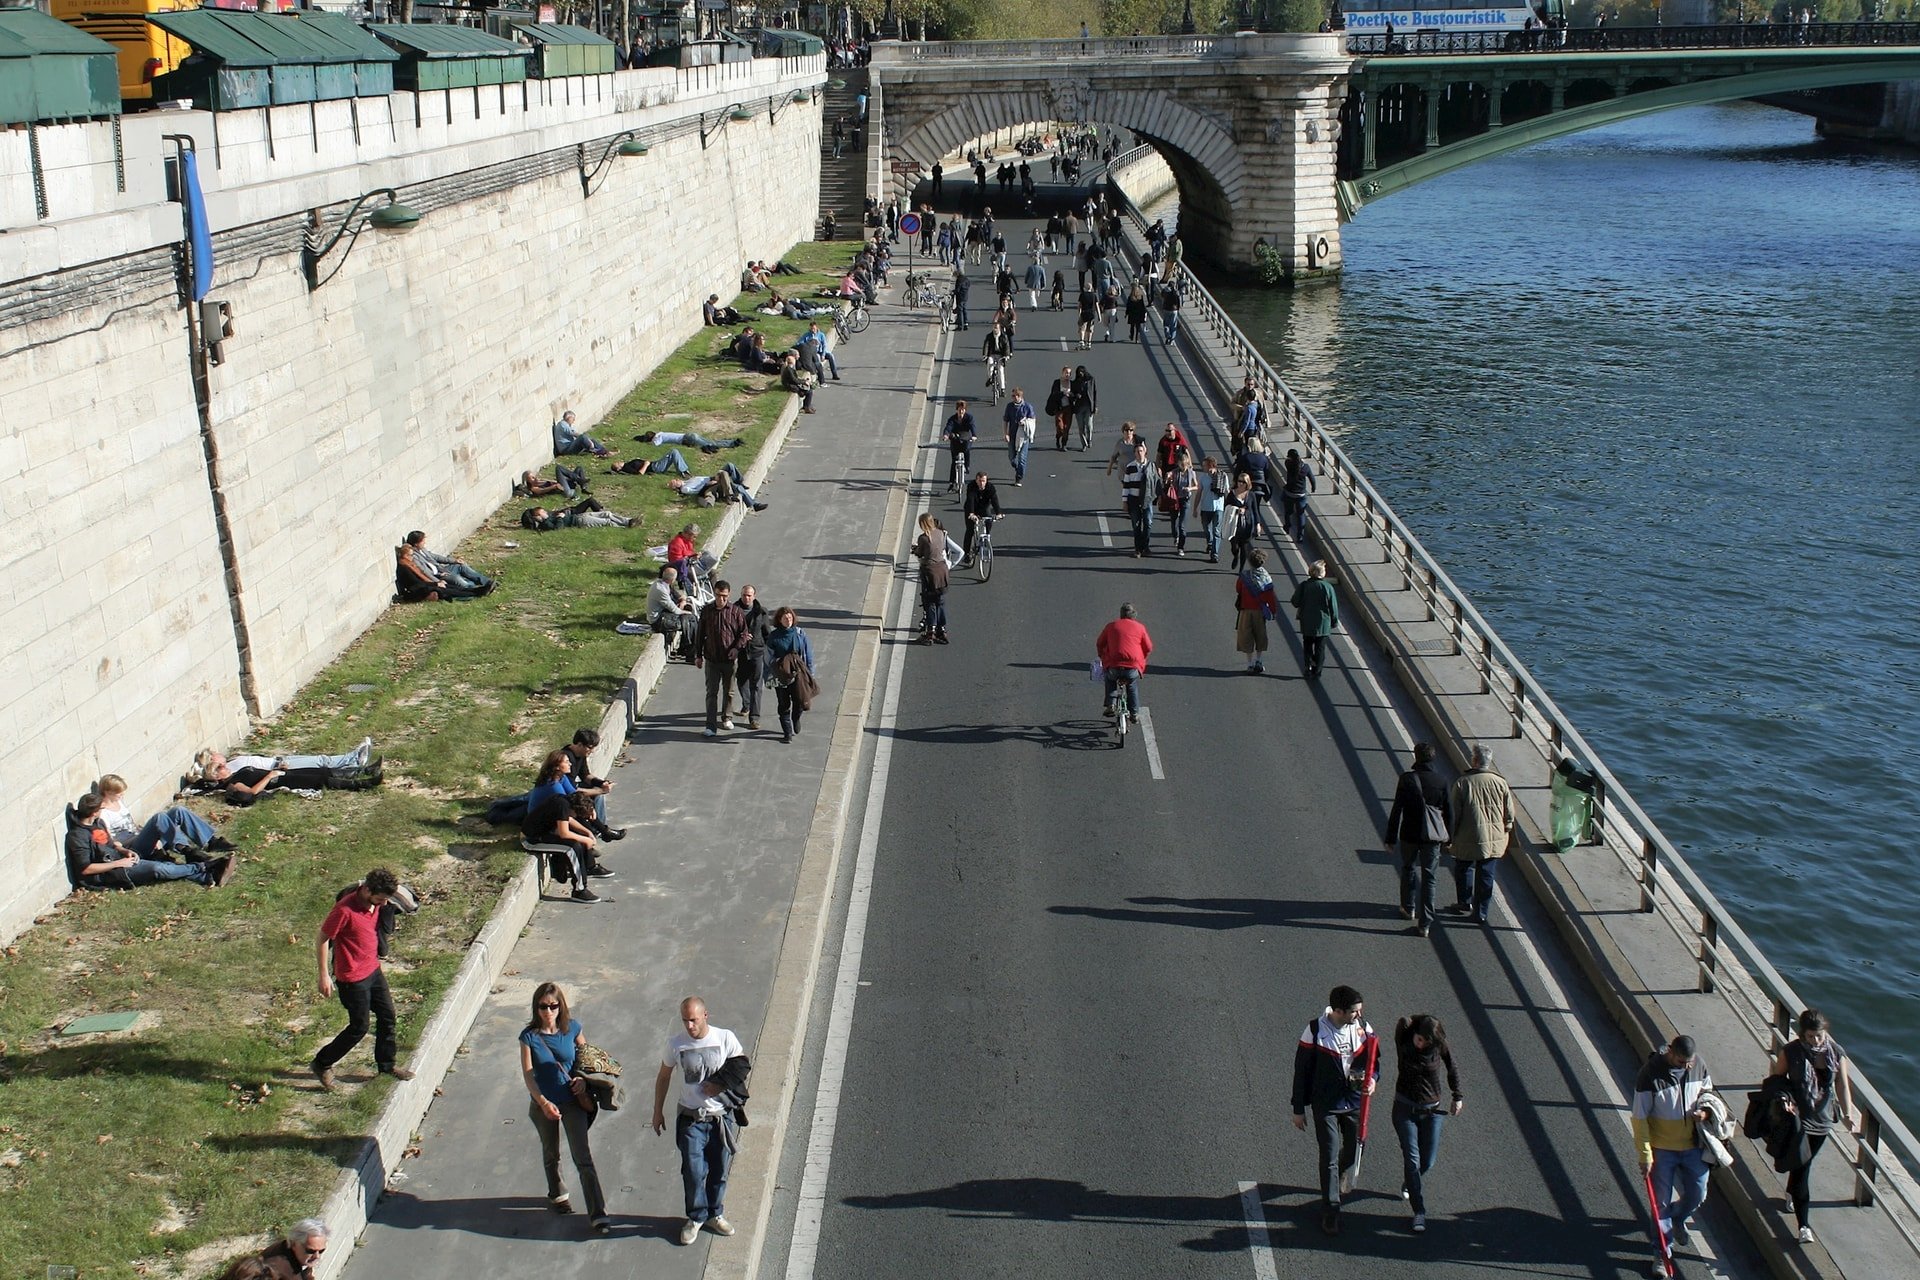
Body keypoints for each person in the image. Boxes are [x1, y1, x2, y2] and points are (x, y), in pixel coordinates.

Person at [652, 996, 747, 1246]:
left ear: (706, 1015)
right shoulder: (676, 1044)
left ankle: (715, 1213)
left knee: (719, 1170)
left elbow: (741, 1066)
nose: (689, 1026)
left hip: (720, 1118)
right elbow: (663, 1077)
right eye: (685, 1021)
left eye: (693, 1020)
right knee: (693, 1172)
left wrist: (718, 1085)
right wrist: (657, 1111)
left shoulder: (724, 1038)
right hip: (691, 1119)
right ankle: (695, 1217)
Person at [311, 867, 415, 1090]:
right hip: (352, 978)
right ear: (367, 890)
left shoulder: (376, 903)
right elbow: (322, 939)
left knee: (388, 1016)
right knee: (359, 1027)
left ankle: (387, 1066)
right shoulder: (344, 910)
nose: (383, 904)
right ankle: (322, 1062)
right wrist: (324, 976)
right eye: (380, 899)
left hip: (373, 970)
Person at [520, 982, 610, 1233]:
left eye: (553, 1006)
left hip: (572, 1102)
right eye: (543, 1006)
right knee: (551, 1153)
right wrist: (543, 1102)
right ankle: (558, 1194)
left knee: (583, 1158)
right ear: (536, 1007)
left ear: (561, 1007)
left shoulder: (573, 1028)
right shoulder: (529, 1037)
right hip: (544, 1103)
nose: (548, 1011)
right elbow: (528, 1074)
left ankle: (598, 1213)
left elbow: (589, 1061)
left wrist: (582, 1079)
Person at [1290, 984, 1379, 1236]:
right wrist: (1299, 1108)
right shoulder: (1315, 1031)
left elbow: (1375, 1061)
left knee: (1353, 1149)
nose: (1359, 1016)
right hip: (1326, 1105)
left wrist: (1372, 1079)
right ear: (1339, 1010)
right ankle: (1330, 1210)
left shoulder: (1364, 1029)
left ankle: (1342, 1169)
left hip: (1353, 1102)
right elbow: (1302, 1072)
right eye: (1354, 1011)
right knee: (1328, 1154)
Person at [1772, 1008, 1855, 1243]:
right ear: (1802, 1035)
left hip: (1824, 1119)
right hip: (1798, 1118)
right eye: (1810, 1036)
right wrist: (1784, 1101)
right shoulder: (1792, 1052)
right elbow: (1777, 1080)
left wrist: (1848, 1113)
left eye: (1818, 1036)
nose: (1815, 1041)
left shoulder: (1836, 1053)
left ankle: (1791, 1192)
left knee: (1803, 1164)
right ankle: (1804, 1226)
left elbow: (1842, 1085)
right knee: (1802, 1168)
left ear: (1825, 1032)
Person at [1634, 1035, 1715, 1272]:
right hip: (1662, 1149)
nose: (1686, 1066)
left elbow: (1708, 1096)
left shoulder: (1698, 1065)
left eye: (1689, 1062)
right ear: (1670, 1052)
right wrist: (1645, 1154)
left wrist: (1705, 1113)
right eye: (1681, 1062)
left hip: (1692, 1146)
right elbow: (1639, 1119)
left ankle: (1677, 1217)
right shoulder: (1649, 1075)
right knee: (1660, 1205)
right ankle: (1662, 1254)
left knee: (1698, 1194)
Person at [65, 792, 236, 891]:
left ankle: (194, 856)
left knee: (161, 818)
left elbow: (111, 844)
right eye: (101, 809)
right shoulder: (77, 837)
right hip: (112, 872)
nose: (103, 811)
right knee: (158, 869)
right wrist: (120, 863)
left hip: (123, 856)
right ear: (94, 812)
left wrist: (124, 851)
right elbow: (86, 869)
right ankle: (205, 868)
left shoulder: (98, 823)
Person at [1391, 1014, 1463, 1234]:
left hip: (1431, 1110)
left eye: (1425, 1041)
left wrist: (1457, 1096)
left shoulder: (1439, 1045)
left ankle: (1409, 1182)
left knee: (1428, 1161)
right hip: (1404, 1109)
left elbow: (1452, 1067)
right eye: (1418, 1039)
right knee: (1412, 1160)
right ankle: (1419, 1211)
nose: (1420, 1044)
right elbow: (1405, 1021)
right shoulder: (1404, 1037)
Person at [1384, 742, 1449, 935]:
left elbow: (1397, 810)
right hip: (1433, 837)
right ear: (1433, 757)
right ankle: (1425, 923)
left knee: (1408, 869)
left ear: (1416, 756)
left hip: (1409, 834)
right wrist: (1450, 837)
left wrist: (1390, 838)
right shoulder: (1442, 781)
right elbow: (1448, 813)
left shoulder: (1407, 779)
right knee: (1430, 877)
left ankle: (1408, 907)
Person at [93, 773, 236, 860]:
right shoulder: (103, 813)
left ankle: (211, 841)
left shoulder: (119, 803)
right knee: (159, 818)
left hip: (140, 835)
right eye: (118, 792)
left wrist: (145, 831)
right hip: (133, 847)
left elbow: (130, 824)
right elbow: (112, 843)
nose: (122, 795)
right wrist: (142, 837)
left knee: (178, 810)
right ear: (107, 792)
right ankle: (185, 850)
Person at [1446, 743, 1514, 924]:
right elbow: (1509, 813)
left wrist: (1450, 836)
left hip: (1468, 836)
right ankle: (1481, 912)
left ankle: (1464, 902)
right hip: (1494, 838)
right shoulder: (1501, 782)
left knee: (1463, 868)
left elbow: (1454, 814)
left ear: (1475, 760)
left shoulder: (1463, 783)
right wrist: (1505, 829)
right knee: (1486, 874)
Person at [694, 580, 750, 737]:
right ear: (714, 593)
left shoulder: (735, 612)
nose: (721, 599)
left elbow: (744, 633)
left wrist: (736, 648)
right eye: (718, 595)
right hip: (712, 658)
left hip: (729, 660)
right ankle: (710, 726)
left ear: (729, 595)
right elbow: (700, 634)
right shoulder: (707, 611)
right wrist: (698, 655)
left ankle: (726, 717)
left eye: (724, 596)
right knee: (712, 692)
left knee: (729, 691)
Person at [1095, 602, 1153, 722]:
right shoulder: (1140, 627)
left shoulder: (1111, 626)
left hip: (1114, 665)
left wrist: (1102, 656)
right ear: (1133, 616)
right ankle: (1134, 714)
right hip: (1132, 666)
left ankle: (1111, 704)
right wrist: (1141, 659)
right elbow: (1148, 647)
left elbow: (1100, 643)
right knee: (1131, 686)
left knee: (1110, 679)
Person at [766, 606, 816, 743]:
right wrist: (772, 673)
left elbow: (808, 654)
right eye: (785, 618)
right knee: (783, 704)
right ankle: (787, 733)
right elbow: (768, 657)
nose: (788, 620)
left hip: (798, 674)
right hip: (781, 676)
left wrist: (810, 673)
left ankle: (796, 718)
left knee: (799, 701)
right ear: (779, 620)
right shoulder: (774, 637)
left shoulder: (800, 634)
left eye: (790, 618)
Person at [398, 530, 494, 600]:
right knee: (455, 582)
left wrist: (453, 561)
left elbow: (436, 557)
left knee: (460, 566)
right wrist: (438, 581)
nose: (425, 542)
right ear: (416, 544)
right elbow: (424, 574)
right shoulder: (411, 562)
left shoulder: (422, 550)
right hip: (435, 576)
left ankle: (485, 583)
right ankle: (473, 590)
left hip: (440, 571)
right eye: (423, 541)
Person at [1233, 549, 1282, 673]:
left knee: (1246, 636)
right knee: (1260, 635)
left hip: (1246, 610)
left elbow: (1238, 589)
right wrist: (1273, 611)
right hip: (1260, 611)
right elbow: (1270, 598)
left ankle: (1249, 664)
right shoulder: (1267, 578)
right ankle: (1259, 661)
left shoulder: (1244, 576)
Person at [1289, 559, 1338, 679]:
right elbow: (1333, 606)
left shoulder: (1304, 585)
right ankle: (1317, 670)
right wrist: (1334, 621)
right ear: (1321, 573)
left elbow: (1295, 602)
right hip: (1323, 622)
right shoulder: (1328, 587)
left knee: (1307, 645)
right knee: (1320, 648)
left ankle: (1308, 666)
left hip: (1307, 621)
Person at [736, 584, 771, 731]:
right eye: (744, 595)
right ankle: (747, 703)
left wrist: (768, 650)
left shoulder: (761, 612)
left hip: (757, 651)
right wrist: (740, 637)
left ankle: (754, 718)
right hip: (741, 651)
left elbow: (767, 632)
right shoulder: (733, 610)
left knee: (756, 685)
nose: (747, 598)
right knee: (741, 680)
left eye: (749, 595)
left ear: (754, 596)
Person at [912, 513, 951, 645]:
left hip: (930, 572)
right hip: (942, 570)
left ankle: (930, 632)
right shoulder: (940, 533)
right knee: (940, 601)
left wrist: (915, 549)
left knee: (929, 603)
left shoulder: (923, 538)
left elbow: (920, 552)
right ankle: (942, 630)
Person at [646, 564, 697, 657]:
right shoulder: (660, 590)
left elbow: (677, 596)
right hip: (658, 621)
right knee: (690, 619)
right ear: (672, 579)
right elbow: (674, 609)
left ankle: (686, 648)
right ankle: (689, 650)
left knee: (691, 618)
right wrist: (686, 612)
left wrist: (682, 600)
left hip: (665, 614)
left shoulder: (663, 584)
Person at [254, 1216, 329, 1279]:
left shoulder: (299, 1256)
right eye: (310, 1251)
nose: (317, 1256)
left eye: (321, 1251)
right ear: (293, 1244)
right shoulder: (275, 1267)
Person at [1119, 440, 1156, 558]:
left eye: (1141, 451)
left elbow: (1156, 483)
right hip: (1133, 500)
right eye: (1137, 451)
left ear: (1145, 452)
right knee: (1136, 525)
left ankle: (1145, 546)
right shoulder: (1130, 467)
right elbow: (1126, 485)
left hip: (1147, 499)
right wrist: (1125, 501)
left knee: (1148, 523)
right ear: (1134, 453)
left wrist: (1158, 497)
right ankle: (1138, 549)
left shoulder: (1151, 466)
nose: (1139, 453)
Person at [1193, 455, 1230, 564]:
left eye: (1204, 465)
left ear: (1210, 465)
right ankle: (1210, 542)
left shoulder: (1223, 476)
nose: (1202, 467)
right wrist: (1195, 508)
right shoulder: (1203, 478)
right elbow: (1199, 493)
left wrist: (1229, 506)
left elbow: (1227, 491)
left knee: (1217, 531)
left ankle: (1214, 554)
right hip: (1206, 507)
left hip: (1218, 507)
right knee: (1206, 528)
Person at [961, 470, 1001, 566]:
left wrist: (998, 513)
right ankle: (966, 553)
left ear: (986, 481)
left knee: (989, 520)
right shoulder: (971, 486)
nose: (981, 483)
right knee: (970, 530)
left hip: (984, 508)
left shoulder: (990, 488)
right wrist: (971, 513)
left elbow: (994, 500)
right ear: (976, 480)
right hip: (972, 508)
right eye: (979, 481)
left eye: (983, 481)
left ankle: (986, 537)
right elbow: (970, 499)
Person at [1162, 448, 1197, 555]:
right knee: (1173, 522)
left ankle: (1181, 547)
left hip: (1185, 499)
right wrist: (1167, 478)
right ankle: (1175, 536)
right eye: (1181, 464)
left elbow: (1196, 486)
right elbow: (1166, 481)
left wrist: (1190, 489)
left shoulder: (1191, 473)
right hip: (1174, 499)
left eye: (1184, 464)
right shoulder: (1175, 472)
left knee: (1182, 525)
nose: (1183, 466)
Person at [520, 499, 635, 530]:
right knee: (607, 522)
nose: (546, 512)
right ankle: (625, 526)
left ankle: (628, 520)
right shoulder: (546, 524)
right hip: (579, 522)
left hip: (579, 516)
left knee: (607, 514)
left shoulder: (549, 517)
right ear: (538, 517)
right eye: (543, 512)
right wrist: (560, 518)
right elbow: (557, 529)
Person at [1280, 448, 1317, 542]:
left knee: (1288, 511)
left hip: (1289, 493)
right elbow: (1312, 479)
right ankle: (1300, 536)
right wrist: (1313, 488)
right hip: (1301, 495)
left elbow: (1288, 461)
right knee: (1301, 515)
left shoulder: (1288, 464)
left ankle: (1287, 526)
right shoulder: (1305, 467)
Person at [942, 400, 978, 492]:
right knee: (954, 461)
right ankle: (951, 483)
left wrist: (974, 435)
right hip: (955, 440)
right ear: (956, 410)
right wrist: (946, 435)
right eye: (959, 410)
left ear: (965, 410)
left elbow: (972, 426)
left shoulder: (969, 417)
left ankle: (967, 466)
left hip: (966, 438)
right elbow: (948, 427)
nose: (961, 412)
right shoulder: (952, 419)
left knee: (967, 449)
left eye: (963, 410)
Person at [1003, 388, 1036, 486]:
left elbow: (1033, 420)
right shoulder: (1009, 406)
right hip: (1012, 435)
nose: (1013, 398)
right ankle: (1017, 467)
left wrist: (1026, 423)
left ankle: (1018, 477)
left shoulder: (1027, 407)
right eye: (1012, 396)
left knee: (1022, 458)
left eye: (1014, 396)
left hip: (1023, 436)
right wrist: (1006, 434)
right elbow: (1005, 420)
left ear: (1020, 396)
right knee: (1012, 458)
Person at [1045, 367, 1075, 451]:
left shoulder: (1072, 383)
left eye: (1069, 373)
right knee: (1060, 427)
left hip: (1069, 408)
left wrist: (1071, 395)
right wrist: (1062, 393)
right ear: (1062, 373)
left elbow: (1075, 395)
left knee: (1067, 427)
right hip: (1059, 408)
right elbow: (1053, 394)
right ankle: (1058, 437)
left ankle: (1064, 444)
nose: (1067, 375)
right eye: (1066, 373)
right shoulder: (1057, 382)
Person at [636, 429, 745, 452]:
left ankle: (733, 443)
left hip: (688, 439)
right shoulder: (661, 433)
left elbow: (655, 445)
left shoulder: (658, 438)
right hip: (689, 435)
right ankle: (732, 442)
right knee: (712, 442)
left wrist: (647, 444)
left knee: (712, 444)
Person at [1069, 365, 1097, 451]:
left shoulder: (1091, 380)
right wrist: (1075, 395)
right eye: (1078, 372)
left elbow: (1094, 393)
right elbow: (1072, 395)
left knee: (1089, 425)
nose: (1080, 374)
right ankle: (1084, 444)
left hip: (1088, 406)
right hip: (1079, 407)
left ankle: (1089, 439)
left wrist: (1095, 406)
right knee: (1081, 427)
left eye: (1081, 372)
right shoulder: (1074, 383)